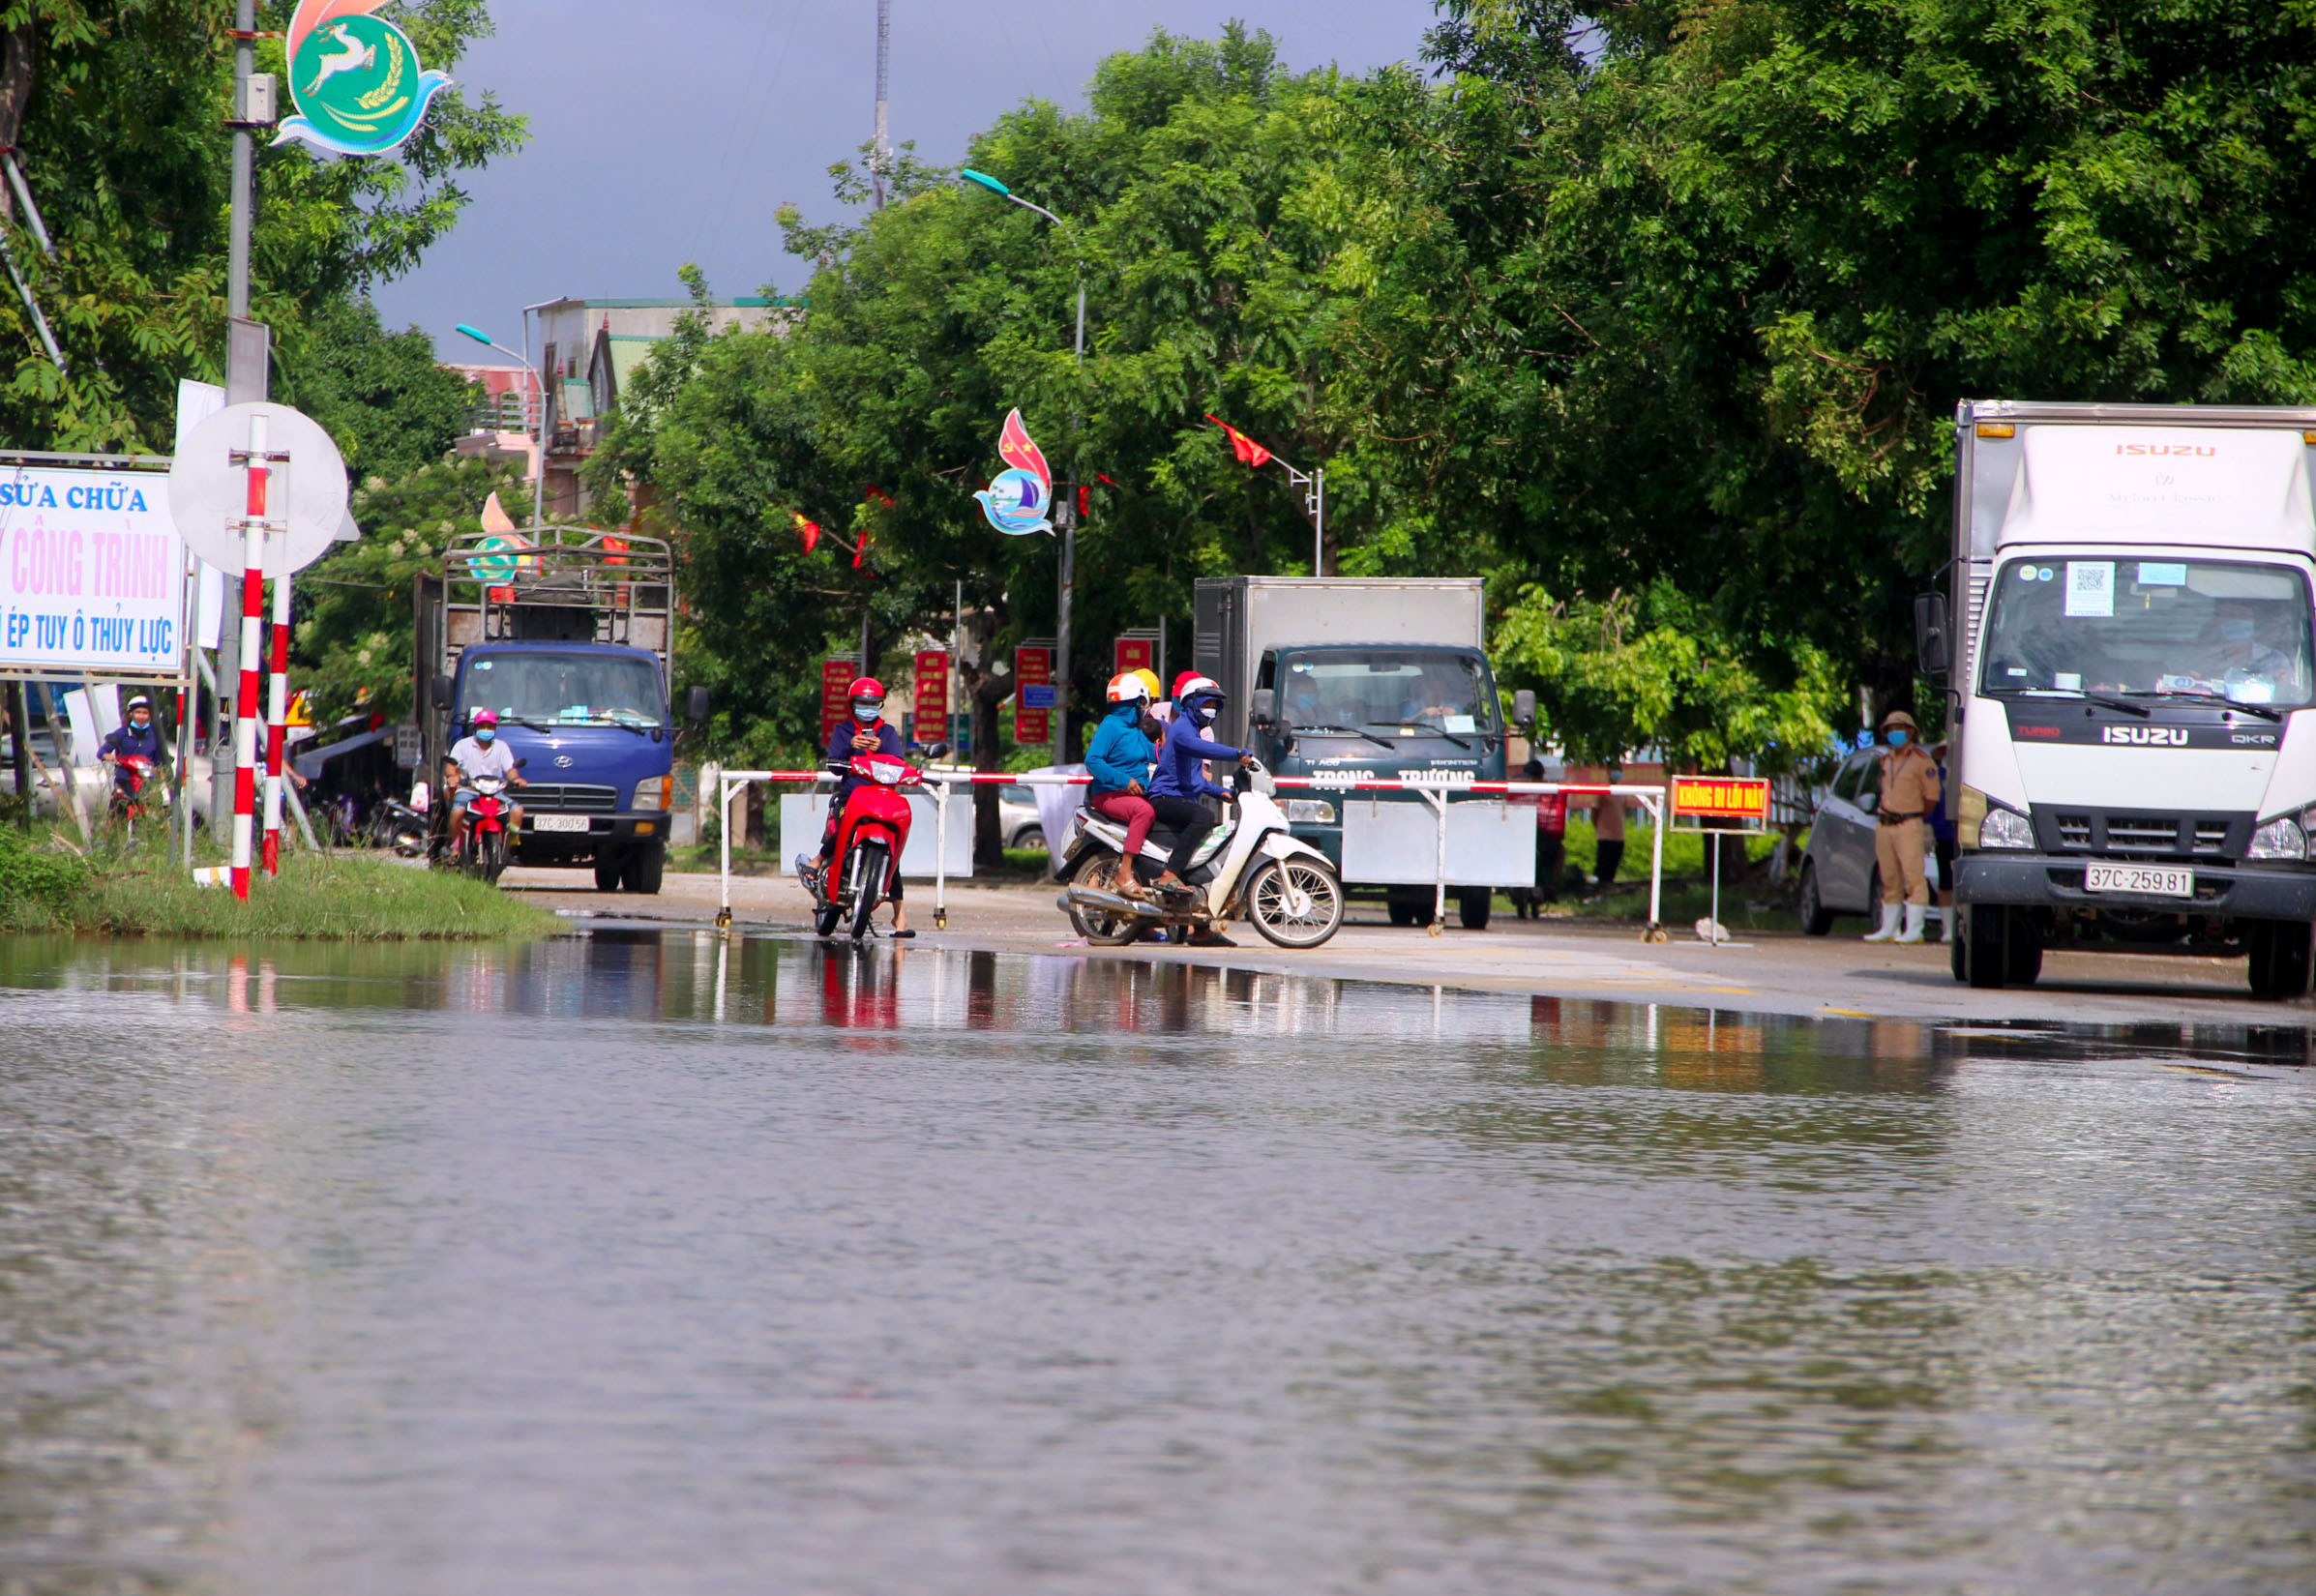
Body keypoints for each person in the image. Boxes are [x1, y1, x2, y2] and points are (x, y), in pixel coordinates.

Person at [801, 677, 913, 935]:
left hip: (882, 799)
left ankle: (900, 916)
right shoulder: (843, 731)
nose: (867, 707)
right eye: (862, 702)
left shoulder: (888, 733)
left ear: (880, 704)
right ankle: (819, 860)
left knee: (892, 851)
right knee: (845, 826)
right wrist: (850, 747)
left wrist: (880, 747)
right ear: (853, 704)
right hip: (851, 797)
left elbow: (899, 762)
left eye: (873, 702)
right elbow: (833, 763)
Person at [1146, 674, 1250, 913]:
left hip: (1180, 798)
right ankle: (1168, 875)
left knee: (1204, 852)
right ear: (1191, 703)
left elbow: (1195, 780)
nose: (1211, 710)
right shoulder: (1183, 729)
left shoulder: (1193, 730)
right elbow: (1202, 749)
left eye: (1215, 705)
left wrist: (1221, 793)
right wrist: (1236, 754)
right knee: (1203, 817)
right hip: (1165, 798)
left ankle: (1200, 928)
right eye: (1207, 704)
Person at [1864, 709, 1941, 944]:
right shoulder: (1885, 761)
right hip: (1885, 824)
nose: (1894, 733)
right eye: (1890, 729)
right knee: (1889, 876)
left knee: (1913, 876)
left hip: (1909, 823)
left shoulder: (1921, 761)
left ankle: (1914, 929)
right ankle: (1890, 927)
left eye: (1899, 728)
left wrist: (1913, 814)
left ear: (1910, 731)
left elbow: (1932, 798)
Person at [1084, 673, 1159, 900]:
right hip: (1109, 794)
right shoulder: (1111, 726)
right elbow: (1093, 761)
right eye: (1142, 703)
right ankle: (1124, 872)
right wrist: (1124, 781)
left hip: (1131, 793)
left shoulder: (1134, 730)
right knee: (1144, 811)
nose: (1143, 708)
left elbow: (1153, 753)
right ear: (1136, 701)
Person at [448, 709, 526, 857]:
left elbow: (510, 769)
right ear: (476, 727)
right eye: (482, 726)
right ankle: (456, 847)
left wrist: (516, 779)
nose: (486, 730)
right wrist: (452, 777)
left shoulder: (501, 747)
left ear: (495, 729)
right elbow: (451, 766)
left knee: (517, 811)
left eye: (490, 727)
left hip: (494, 792)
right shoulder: (462, 745)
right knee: (457, 812)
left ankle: (507, 848)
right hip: (469, 790)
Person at [1513, 755, 1567, 918]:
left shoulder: (1541, 793)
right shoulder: (1535, 792)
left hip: (1538, 838)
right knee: (1559, 850)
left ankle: (1550, 885)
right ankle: (1551, 885)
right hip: (1524, 838)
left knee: (1559, 851)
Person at [98, 694, 165, 817]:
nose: (141, 716)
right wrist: (110, 756)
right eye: (138, 712)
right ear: (131, 714)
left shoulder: (155, 735)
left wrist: (160, 771)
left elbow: (159, 760)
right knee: (115, 815)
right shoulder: (121, 733)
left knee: (157, 816)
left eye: (145, 713)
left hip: (147, 784)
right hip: (125, 782)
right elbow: (102, 752)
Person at [1928, 741, 1957, 943]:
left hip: (1967, 835)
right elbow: (1931, 805)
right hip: (1943, 835)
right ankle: (1947, 928)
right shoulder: (1938, 776)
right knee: (1945, 882)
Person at [1590, 764, 1626, 893]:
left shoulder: (1622, 792)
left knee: (1613, 866)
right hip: (1605, 835)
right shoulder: (1603, 790)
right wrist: (1599, 828)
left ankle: (1608, 891)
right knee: (1602, 867)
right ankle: (1598, 891)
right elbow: (1594, 812)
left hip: (1619, 836)